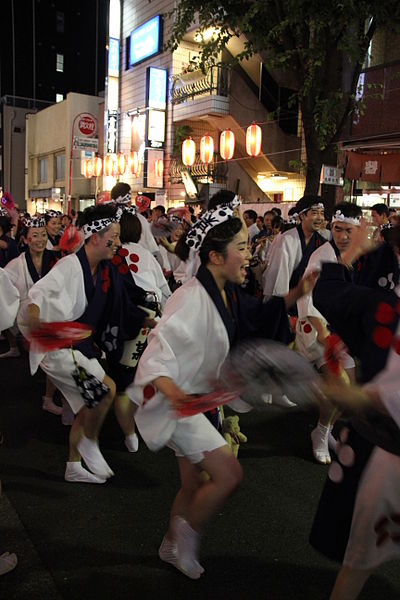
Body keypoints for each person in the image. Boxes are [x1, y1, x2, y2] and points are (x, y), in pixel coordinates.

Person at [127, 195, 315, 579]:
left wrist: (295, 295)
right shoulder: (190, 299)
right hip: (177, 402)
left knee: (195, 482)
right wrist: (176, 394)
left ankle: (170, 544)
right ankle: (186, 538)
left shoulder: (226, 292)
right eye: (242, 248)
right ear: (215, 257)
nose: (250, 256)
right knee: (229, 474)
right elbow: (155, 355)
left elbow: (257, 315)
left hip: (196, 402)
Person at [309, 222, 400, 600]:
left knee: (359, 558)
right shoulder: (386, 306)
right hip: (384, 447)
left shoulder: (386, 307)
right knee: (362, 556)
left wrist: (357, 399)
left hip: (386, 452)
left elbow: (329, 294)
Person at [26, 204, 147, 484]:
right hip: (58, 349)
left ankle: (74, 464)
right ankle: (89, 442)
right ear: (95, 237)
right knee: (104, 391)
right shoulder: (70, 266)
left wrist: (146, 318)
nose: (117, 242)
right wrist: (34, 317)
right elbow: (39, 292)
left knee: (93, 400)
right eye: (113, 237)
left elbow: (124, 299)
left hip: (79, 347)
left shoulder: (104, 269)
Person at [296, 203, 362, 463]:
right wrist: (324, 334)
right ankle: (321, 433)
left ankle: (326, 429)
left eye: (348, 230)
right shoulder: (322, 255)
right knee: (340, 386)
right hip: (320, 329)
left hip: (343, 331)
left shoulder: (360, 254)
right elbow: (308, 298)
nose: (342, 236)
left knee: (349, 390)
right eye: (337, 229)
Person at [5, 215, 63, 415]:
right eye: (35, 235)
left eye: (43, 235)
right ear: (26, 239)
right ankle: (51, 398)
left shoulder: (56, 259)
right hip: (28, 316)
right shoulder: (15, 265)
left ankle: (49, 398)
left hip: (52, 313)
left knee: (55, 355)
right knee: (53, 354)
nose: (40, 239)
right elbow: (4, 290)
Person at [262, 195, 326, 302]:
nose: (320, 218)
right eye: (315, 213)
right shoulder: (287, 240)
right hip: (290, 300)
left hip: (311, 301)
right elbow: (279, 277)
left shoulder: (322, 242)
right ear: (302, 216)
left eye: (322, 213)